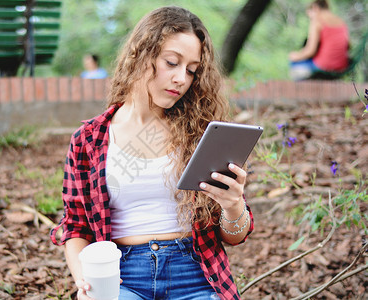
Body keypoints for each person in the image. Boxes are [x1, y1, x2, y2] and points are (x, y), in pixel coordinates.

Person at [51, 6, 254, 300]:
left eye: (191, 70)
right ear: (141, 54)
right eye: (171, 62)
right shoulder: (89, 140)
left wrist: (233, 205)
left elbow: (234, 237)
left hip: (195, 275)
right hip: (122, 277)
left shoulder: (203, 133)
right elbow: (76, 227)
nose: (181, 78)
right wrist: (86, 282)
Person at [288, 0, 349, 80]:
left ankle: (304, 90)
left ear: (315, 8)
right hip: (342, 65)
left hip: (324, 66)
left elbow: (310, 51)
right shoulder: (340, 21)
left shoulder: (317, 20)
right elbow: (348, 45)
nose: (311, 19)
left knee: (293, 63)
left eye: (310, 16)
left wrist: (295, 56)